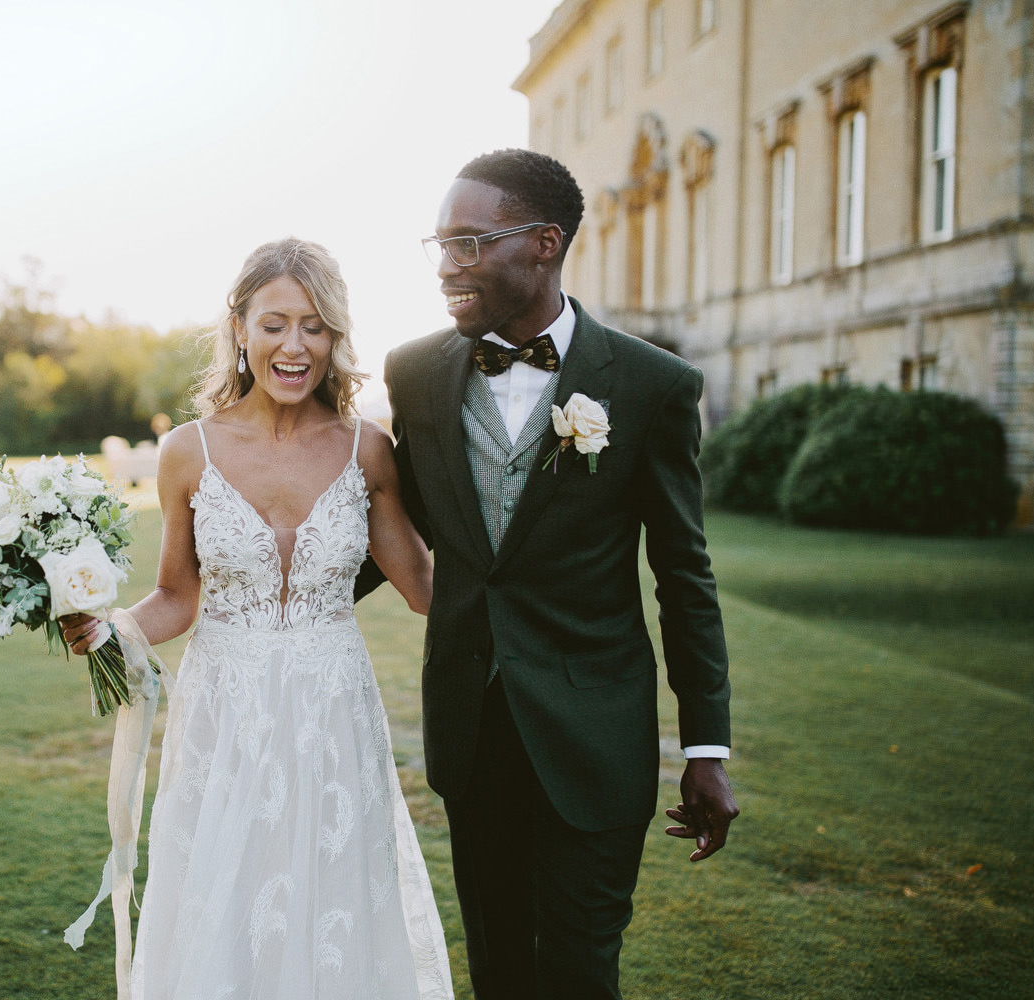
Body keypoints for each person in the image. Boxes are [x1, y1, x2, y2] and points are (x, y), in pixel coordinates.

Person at [363, 148, 739, 999]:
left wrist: (707, 745)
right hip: (471, 727)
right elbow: (395, 531)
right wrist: (248, 592)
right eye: (440, 245)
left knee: (576, 971)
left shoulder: (652, 385)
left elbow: (684, 576)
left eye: (470, 243)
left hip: (593, 738)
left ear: (543, 243)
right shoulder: (416, 374)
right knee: (498, 969)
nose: (448, 267)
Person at [62, 238, 454, 999]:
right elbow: (178, 594)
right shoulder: (188, 451)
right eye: (275, 323)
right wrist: (116, 628)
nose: (295, 345)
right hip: (225, 714)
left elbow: (422, 587)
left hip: (333, 713)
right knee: (227, 897)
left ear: (335, 338)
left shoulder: (366, 451)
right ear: (239, 328)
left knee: (332, 894)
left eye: (315, 326)